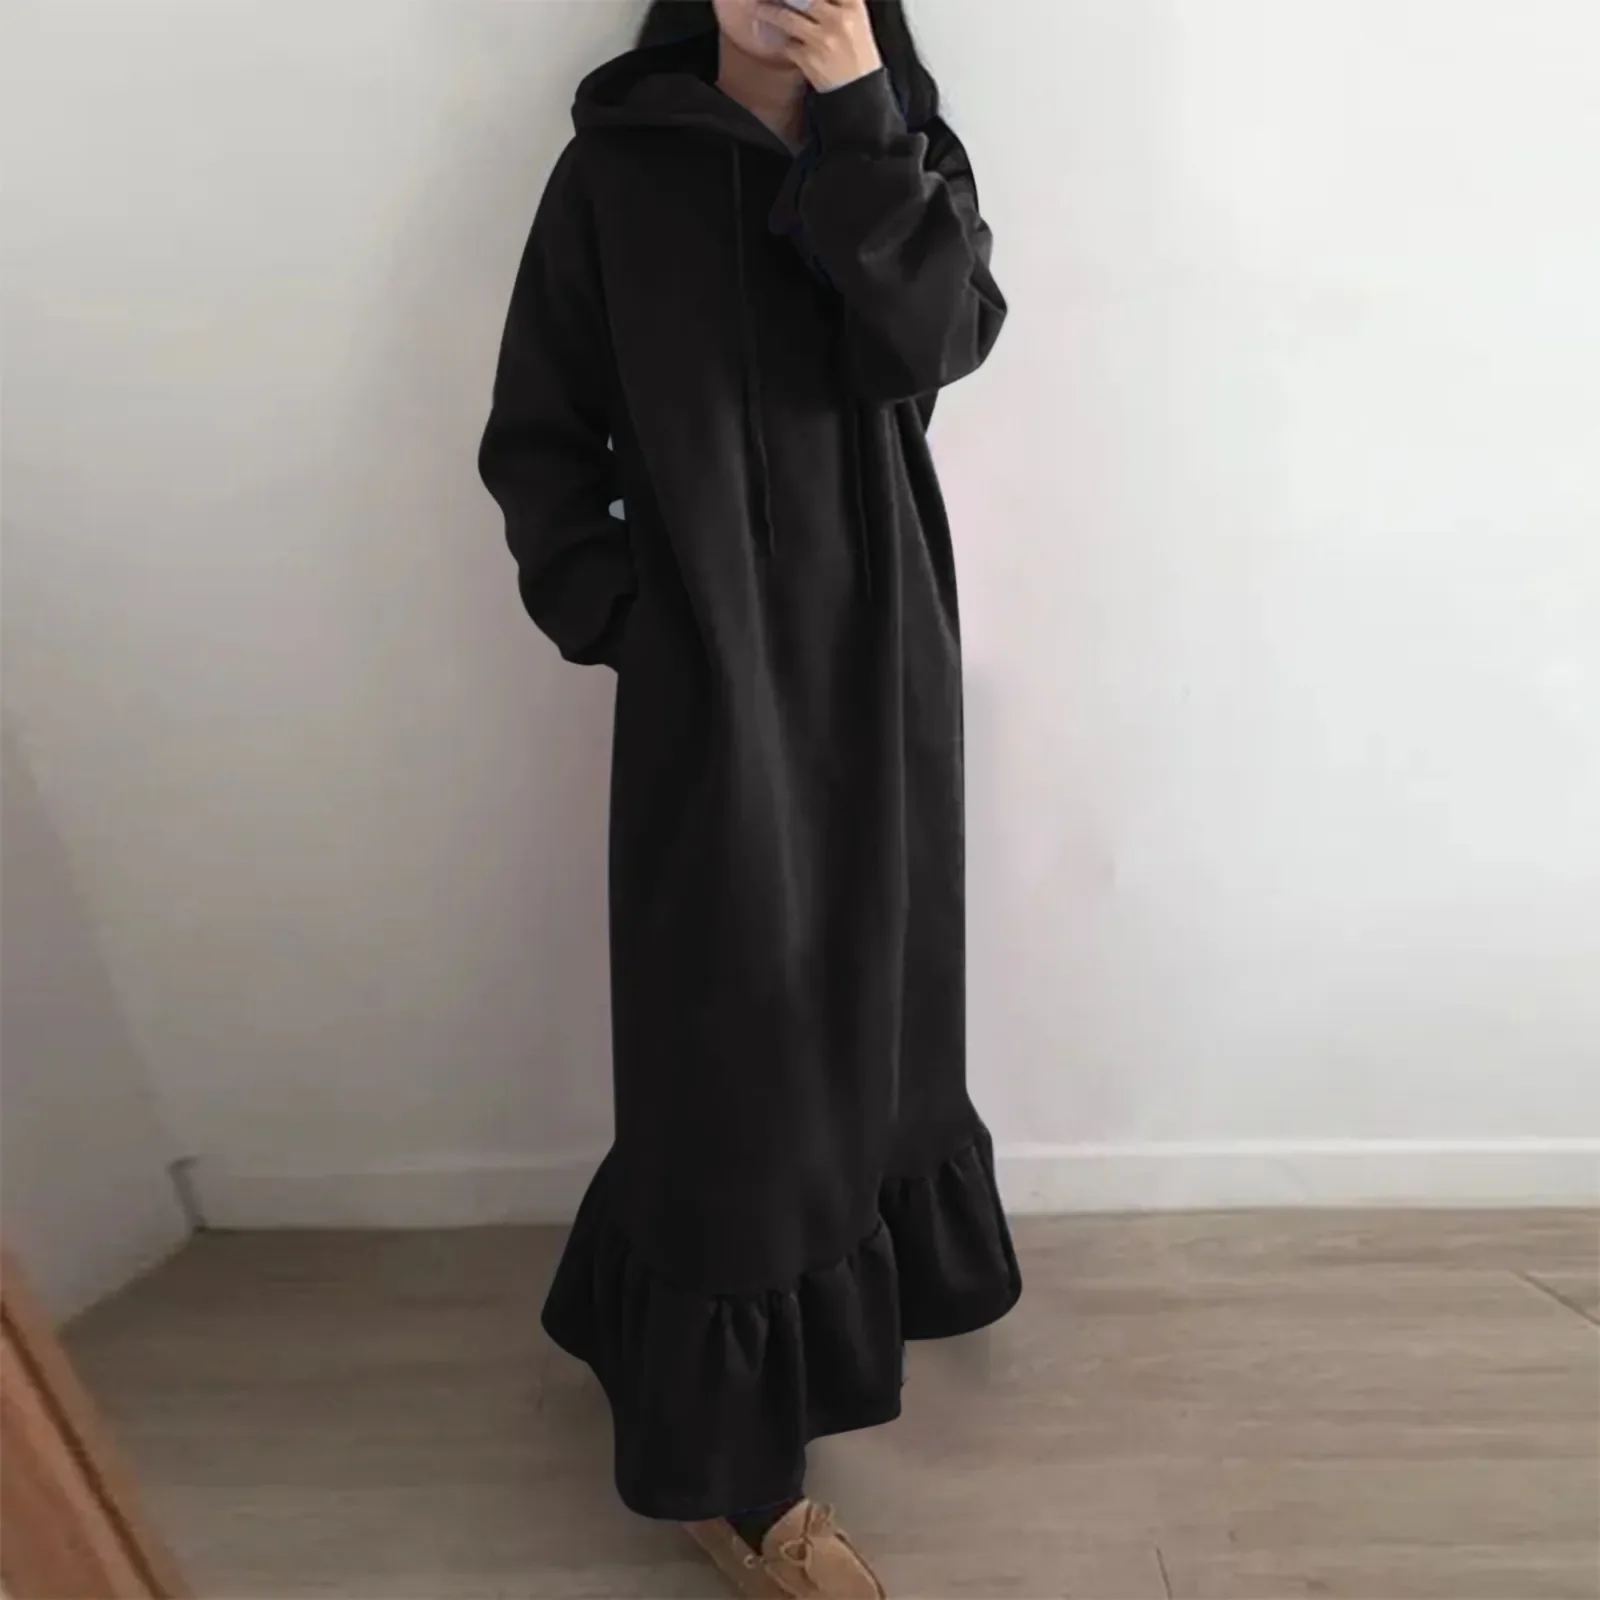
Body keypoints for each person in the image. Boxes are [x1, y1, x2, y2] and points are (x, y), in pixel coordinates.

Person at [478, 0, 1020, 1591]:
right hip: (714, 684)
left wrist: (860, 122)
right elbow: (538, 439)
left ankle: (735, 1323)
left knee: (879, 1006)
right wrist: (636, 627)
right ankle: (730, 1472)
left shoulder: (902, 151)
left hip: (885, 658)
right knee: (729, 1049)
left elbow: (940, 343)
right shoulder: (612, 172)